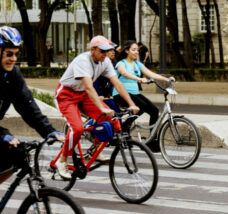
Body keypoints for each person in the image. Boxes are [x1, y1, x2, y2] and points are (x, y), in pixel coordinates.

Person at [55, 35, 139, 180]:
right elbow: (88, 86)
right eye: (102, 51)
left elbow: (117, 83)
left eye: (107, 51)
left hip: (83, 95)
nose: (105, 54)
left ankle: (95, 148)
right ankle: (62, 161)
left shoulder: (105, 62)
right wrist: (102, 107)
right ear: (92, 49)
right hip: (66, 96)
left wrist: (131, 103)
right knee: (77, 128)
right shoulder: (83, 60)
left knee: (111, 120)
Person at [0, 26, 65, 183]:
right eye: (9, 54)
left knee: (17, 154)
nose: (14, 59)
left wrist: (48, 130)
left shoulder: (13, 74)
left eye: (16, 54)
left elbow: (27, 104)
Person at [113, 40, 175, 152]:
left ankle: (151, 141)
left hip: (135, 94)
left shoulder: (137, 64)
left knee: (154, 110)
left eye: (137, 50)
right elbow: (124, 73)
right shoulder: (121, 63)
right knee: (140, 107)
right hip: (121, 94)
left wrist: (167, 79)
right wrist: (139, 79)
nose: (136, 52)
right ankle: (124, 129)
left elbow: (151, 74)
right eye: (133, 50)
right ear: (127, 51)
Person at [93, 41, 120, 113]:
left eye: (113, 50)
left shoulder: (112, 64)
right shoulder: (98, 64)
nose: (113, 52)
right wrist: (99, 96)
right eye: (110, 50)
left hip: (108, 96)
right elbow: (95, 82)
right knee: (115, 111)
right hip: (98, 97)